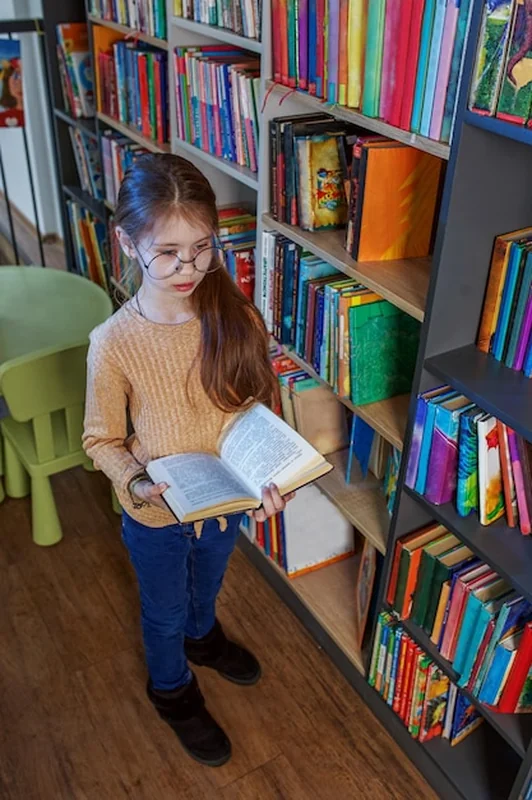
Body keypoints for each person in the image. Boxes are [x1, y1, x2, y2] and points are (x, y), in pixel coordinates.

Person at [82, 153, 294, 768]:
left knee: (210, 583)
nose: (189, 268)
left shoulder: (234, 314)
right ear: (128, 242)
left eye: (202, 249)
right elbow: (100, 440)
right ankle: (171, 689)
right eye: (169, 252)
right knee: (165, 609)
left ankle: (204, 639)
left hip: (223, 500)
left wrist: (268, 471)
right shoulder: (114, 343)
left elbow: (253, 405)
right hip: (156, 514)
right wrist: (135, 482)